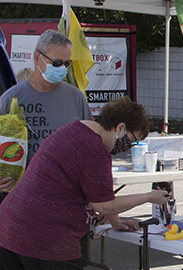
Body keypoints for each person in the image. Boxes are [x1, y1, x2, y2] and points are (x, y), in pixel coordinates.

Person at [0, 96, 170, 270]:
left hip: (10, 228)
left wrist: (115, 221)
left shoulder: (75, 129)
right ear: (120, 128)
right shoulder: (94, 149)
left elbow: (95, 189)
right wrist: (149, 197)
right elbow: (105, 205)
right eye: (133, 140)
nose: (129, 146)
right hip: (44, 238)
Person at [0, 30, 93, 178]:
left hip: (64, 189)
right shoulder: (10, 98)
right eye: (56, 63)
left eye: (66, 63)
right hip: (22, 192)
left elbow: (89, 144)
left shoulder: (76, 98)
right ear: (37, 58)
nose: (62, 68)